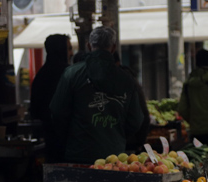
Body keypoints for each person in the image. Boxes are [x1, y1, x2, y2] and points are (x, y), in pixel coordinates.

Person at [49, 27, 144, 164]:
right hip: (114, 158)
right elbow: (136, 120)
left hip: (79, 155)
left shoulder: (71, 74)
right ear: (113, 48)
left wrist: (73, 137)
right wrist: (115, 136)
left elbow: (57, 112)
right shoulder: (126, 79)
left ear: (89, 46)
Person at [30, 34, 72, 162]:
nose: (71, 53)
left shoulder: (41, 75)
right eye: (69, 48)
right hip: (69, 140)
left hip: (49, 141)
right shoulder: (69, 74)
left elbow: (35, 110)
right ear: (61, 50)